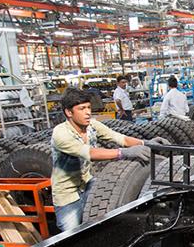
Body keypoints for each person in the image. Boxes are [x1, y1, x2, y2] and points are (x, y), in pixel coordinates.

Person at [51, 88, 167, 233]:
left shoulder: (91, 125)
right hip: (67, 194)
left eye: (88, 108)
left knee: (98, 224)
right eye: (82, 109)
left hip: (87, 183)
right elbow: (89, 153)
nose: (87, 112)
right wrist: (124, 153)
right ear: (69, 112)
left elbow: (119, 138)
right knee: (73, 238)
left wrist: (145, 142)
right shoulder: (60, 134)